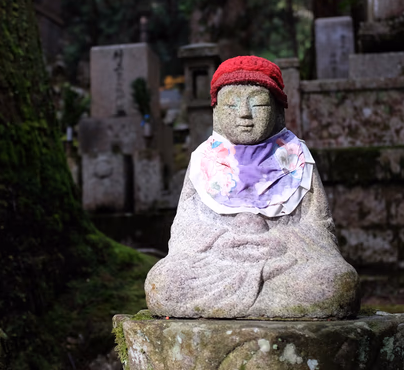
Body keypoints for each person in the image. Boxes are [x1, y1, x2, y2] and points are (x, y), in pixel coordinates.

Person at [145, 56, 359, 318]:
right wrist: (225, 242)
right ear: (216, 111)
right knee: (165, 284)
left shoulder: (295, 157)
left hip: (283, 263)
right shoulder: (205, 159)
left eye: (257, 103)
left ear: (277, 109)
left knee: (337, 283)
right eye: (231, 105)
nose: (244, 114)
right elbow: (185, 232)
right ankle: (274, 306)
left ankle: (235, 306)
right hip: (217, 265)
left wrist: (278, 242)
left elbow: (319, 229)